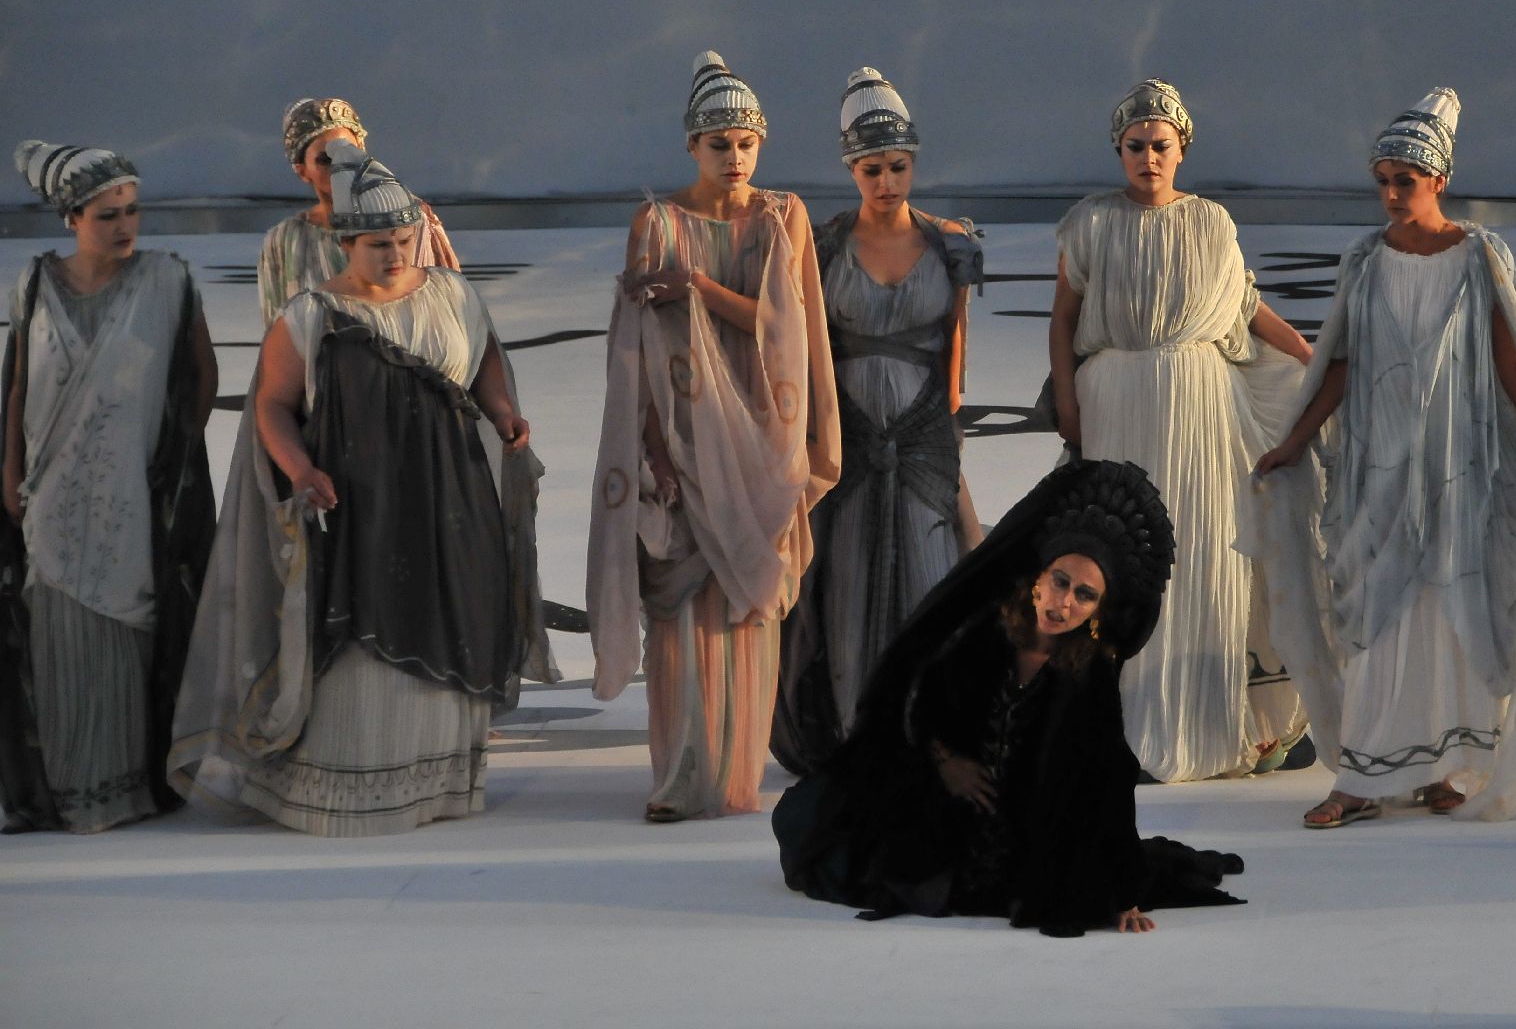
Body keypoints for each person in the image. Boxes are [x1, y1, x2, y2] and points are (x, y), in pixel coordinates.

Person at [1250, 89, 1516, 826]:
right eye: (1383, 180)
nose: (1391, 194)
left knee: (1453, 601)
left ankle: (1445, 766)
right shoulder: (1366, 260)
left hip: (1459, 458)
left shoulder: (1479, 256)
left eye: (1405, 181)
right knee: (1380, 605)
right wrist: (1294, 441)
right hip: (1379, 459)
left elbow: (1510, 356)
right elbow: (1341, 361)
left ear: (1439, 180)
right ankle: (1361, 776)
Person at [169, 141, 552, 836]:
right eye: (379, 244)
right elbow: (272, 406)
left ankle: (435, 783)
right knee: (361, 635)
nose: (396, 253)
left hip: (450, 500)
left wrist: (502, 413)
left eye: (405, 240)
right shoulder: (310, 314)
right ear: (346, 243)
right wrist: (299, 469)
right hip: (359, 510)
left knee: (452, 616)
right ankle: (346, 788)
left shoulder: (453, 294)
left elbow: (486, 361)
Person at [774, 459, 1246, 937]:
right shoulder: (987, 634)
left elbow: (1109, 780)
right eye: (1060, 581)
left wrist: (1125, 895)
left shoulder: (1090, 673)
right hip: (948, 825)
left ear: (1098, 612)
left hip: (1030, 847)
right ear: (1038, 578)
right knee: (821, 833)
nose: (1065, 603)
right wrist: (946, 762)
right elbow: (919, 702)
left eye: (1084, 595)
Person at [585, 51, 838, 821]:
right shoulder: (656, 224)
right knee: (682, 606)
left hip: (762, 432)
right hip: (683, 432)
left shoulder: (782, 217)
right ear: (692, 147)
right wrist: (651, 449)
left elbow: (785, 327)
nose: (734, 157)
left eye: (746, 144)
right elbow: (633, 350)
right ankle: (679, 777)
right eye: (719, 144)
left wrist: (696, 285)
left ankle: (734, 777)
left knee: (746, 606)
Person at [1047, 79, 1311, 783]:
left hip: (1200, 408)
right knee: (1122, 555)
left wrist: (1307, 357)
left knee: (1200, 553)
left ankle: (1206, 718)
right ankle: (1120, 721)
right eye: (1135, 146)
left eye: (1160, 146)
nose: (1148, 158)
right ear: (1119, 151)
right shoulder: (1090, 223)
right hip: (1115, 404)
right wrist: (1068, 403)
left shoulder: (1212, 223)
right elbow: (1064, 320)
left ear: (1182, 149)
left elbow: (1246, 308)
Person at [771, 67, 983, 774]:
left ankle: (930, 735)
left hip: (922, 435)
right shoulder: (823, 247)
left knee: (932, 578)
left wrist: (946, 438)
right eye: (871, 169)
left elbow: (954, 355)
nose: (887, 181)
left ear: (913, 163)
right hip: (850, 435)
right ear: (850, 170)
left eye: (897, 166)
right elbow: (804, 350)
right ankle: (856, 737)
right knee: (846, 587)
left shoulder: (950, 245)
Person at [0, 141, 215, 833]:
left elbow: (200, 374)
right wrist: (10, 473)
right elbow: (18, 387)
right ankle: (69, 791)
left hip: (129, 493)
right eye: (107, 215)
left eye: (131, 211)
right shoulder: (35, 284)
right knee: (57, 640)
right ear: (72, 218)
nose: (125, 226)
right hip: (51, 493)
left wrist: (171, 459)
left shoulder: (167, 280)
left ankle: (127, 786)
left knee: (129, 631)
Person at [257, 98, 458, 326]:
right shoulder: (284, 240)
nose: (340, 164)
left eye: (348, 151)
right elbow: (277, 326)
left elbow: (447, 308)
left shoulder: (410, 217)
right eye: (325, 159)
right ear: (302, 170)